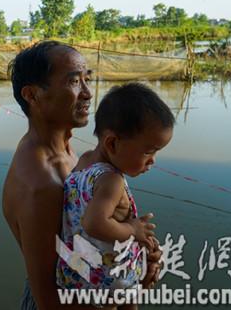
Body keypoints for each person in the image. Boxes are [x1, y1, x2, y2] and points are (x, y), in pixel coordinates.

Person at [2, 41, 162, 310]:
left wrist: (133, 256)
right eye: (74, 81)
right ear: (32, 95)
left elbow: (74, 250)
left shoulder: (67, 152)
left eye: (87, 79)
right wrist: (125, 292)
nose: (88, 93)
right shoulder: (40, 185)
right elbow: (51, 300)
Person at [56, 83, 174, 309]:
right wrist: (133, 230)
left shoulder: (83, 161)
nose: (153, 160)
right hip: (108, 280)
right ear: (112, 143)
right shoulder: (112, 180)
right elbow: (93, 223)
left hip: (78, 271)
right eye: (148, 151)